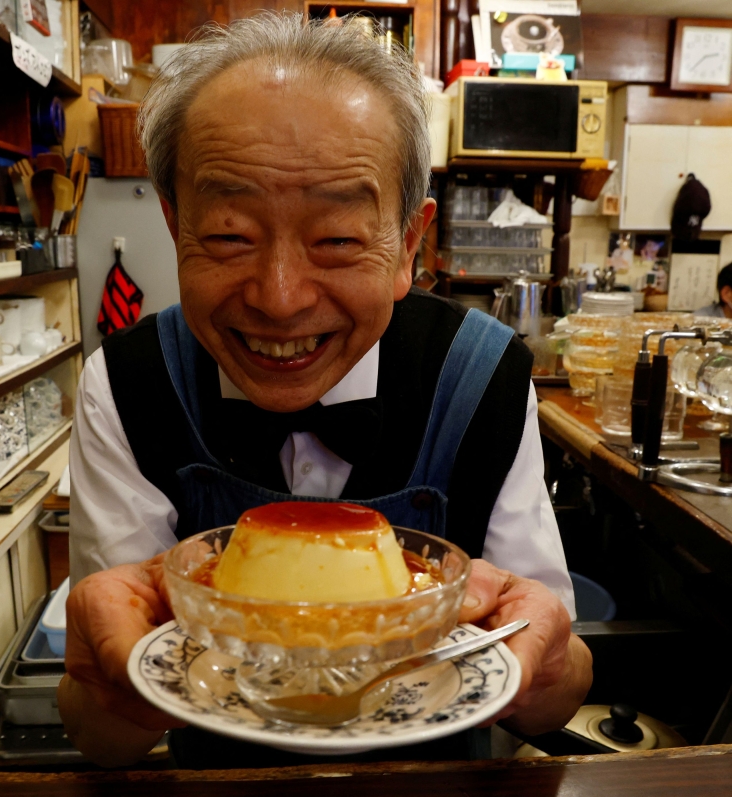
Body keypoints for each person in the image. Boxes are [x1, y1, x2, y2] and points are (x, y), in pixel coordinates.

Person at [58, 13, 592, 768]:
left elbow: (556, 694)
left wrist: (545, 659)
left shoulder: (484, 377)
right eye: (230, 233)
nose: (279, 298)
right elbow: (101, 734)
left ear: (409, 243)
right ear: (175, 225)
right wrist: (110, 684)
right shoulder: (127, 382)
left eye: (337, 239)